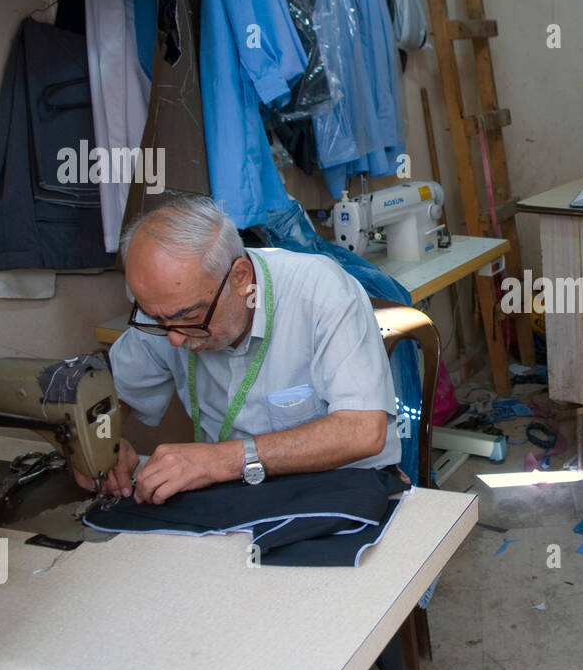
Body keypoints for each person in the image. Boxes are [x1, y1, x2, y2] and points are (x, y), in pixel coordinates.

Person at [73, 196, 402, 504]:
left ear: (241, 277)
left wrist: (225, 458)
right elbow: (110, 397)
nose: (173, 338)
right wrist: (101, 442)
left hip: (342, 485)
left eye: (189, 316)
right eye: (156, 318)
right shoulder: (169, 309)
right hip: (237, 492)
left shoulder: (320, 292)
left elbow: (362, 431)